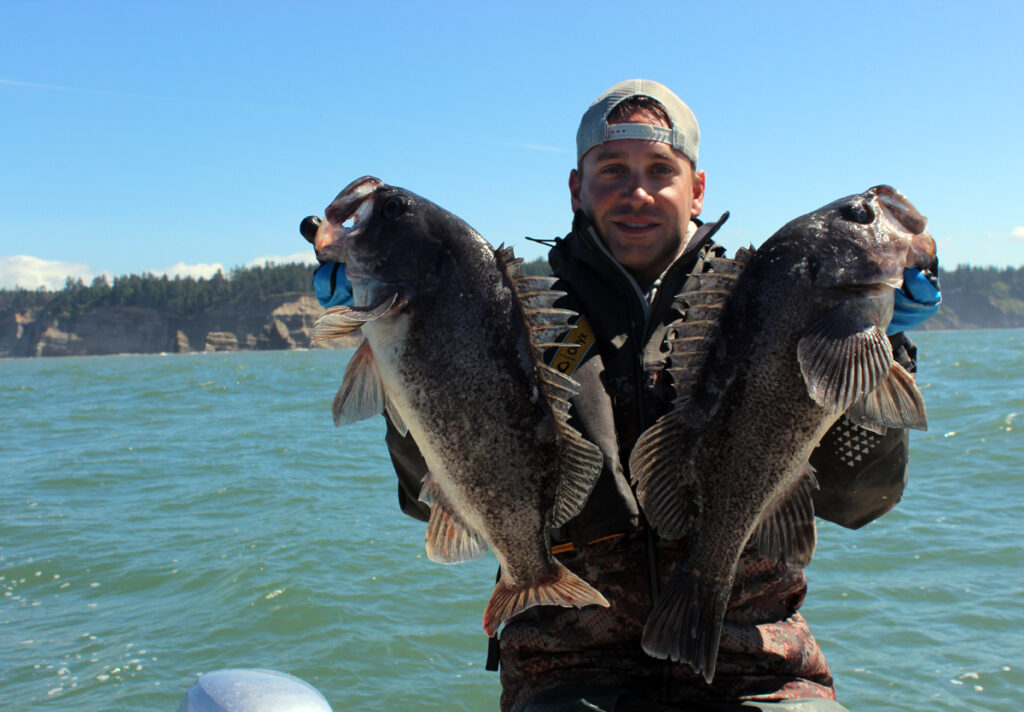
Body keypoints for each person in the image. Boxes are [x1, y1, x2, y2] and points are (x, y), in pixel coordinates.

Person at [303, 79, 940, 712]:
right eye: (611, 170)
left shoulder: (772, 298)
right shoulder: (510, 316)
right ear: (577, 189)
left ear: (696, 190)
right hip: (565, 666)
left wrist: (883, 347)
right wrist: (398, 364)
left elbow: (859, 502)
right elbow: (430, 500)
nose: (636, 192)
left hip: (761, 661)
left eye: (660, 169)